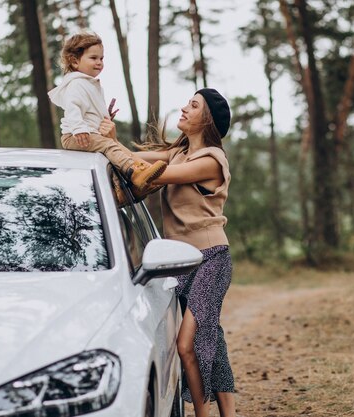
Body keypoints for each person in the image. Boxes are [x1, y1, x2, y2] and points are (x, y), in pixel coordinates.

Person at [97, 88, 236, 417]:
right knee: (210, 338)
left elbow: (154, 173)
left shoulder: (211, 161)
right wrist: (107, 136)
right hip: (178, 263)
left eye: (194, 105)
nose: (184, 108)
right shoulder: (179, 154)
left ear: (207, 120)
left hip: (210, 259)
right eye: (188, 102)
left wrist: (113, 144)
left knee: (187, 344)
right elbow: (128, 159)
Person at [47, 30, 166, 193]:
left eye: (101, 58)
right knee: (110, 146)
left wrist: (105, 116)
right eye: (93, 58)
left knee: (113, 150)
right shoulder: (76, 84)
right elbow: (72, 108)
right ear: (74, 62)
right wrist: (79, 129)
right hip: (76, 136)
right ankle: (135, 171)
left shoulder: (90, 84)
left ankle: (128, 185)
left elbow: (88, 110)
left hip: (88, 133)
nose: (99, 62)